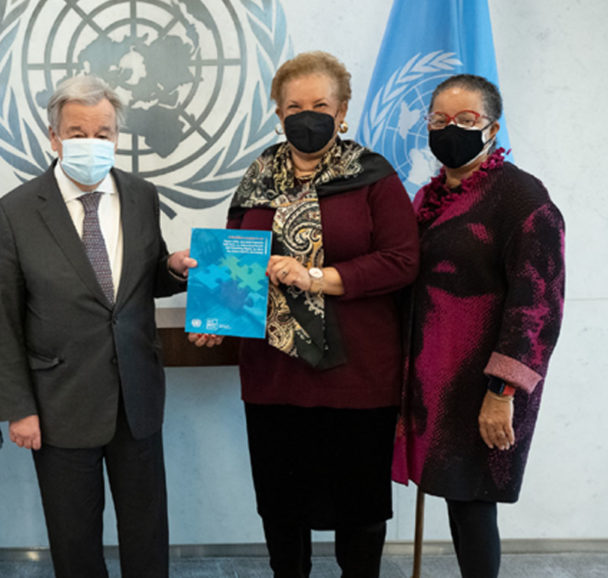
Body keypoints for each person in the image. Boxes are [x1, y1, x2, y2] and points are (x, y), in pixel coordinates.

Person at [190, 51, 420, 577]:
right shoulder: (257, 175)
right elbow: (234, 259)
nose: (307, 114)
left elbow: (402, 261)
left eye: (320, 104)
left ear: (342, 112)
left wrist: (316, 277)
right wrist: (214, 315)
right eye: (294, 105)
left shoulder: (372, 177)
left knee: (358, 511)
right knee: (281, 506)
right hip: (273, 374)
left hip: (357, 374)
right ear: (277, 113)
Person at [0, 74, 195, 578]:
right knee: (75, 541)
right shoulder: (14, 211)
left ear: (117, 137)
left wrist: (171, 268)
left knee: (147, 535)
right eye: (77, 132)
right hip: (60, 403)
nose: (91, 142)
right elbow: (4, 317)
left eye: (103, 133)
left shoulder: (142, 196)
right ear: (54, 137)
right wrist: (17, 408)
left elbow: (138, 283)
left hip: (137, 398)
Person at [393, 74, 565, 577]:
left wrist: (502, 391)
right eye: (439, 120)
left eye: (466, 121)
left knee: (472, 504)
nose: (451, 130)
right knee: (452, 492)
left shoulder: (521, 199)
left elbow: (538, 303)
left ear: (492, 127)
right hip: (432, 378)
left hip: (484, 382)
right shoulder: (427, 197)